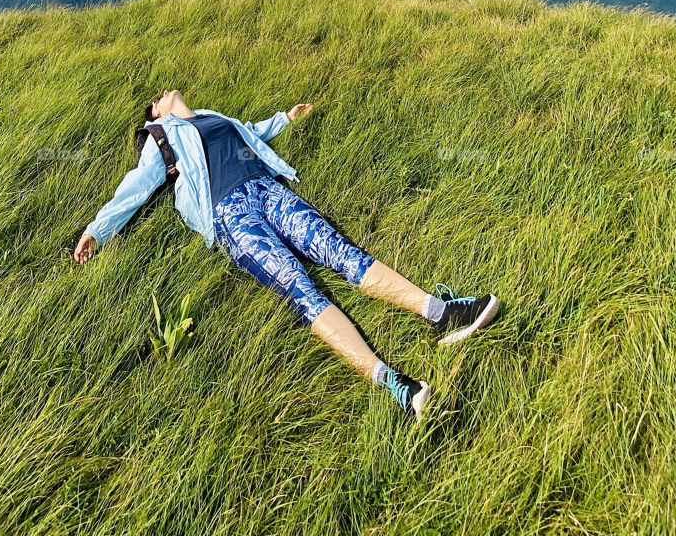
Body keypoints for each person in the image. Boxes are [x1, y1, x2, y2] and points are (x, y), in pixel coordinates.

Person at [74, 90, 500, 422]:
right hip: (230, 215)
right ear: (155, 114)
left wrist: (286, 118)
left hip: (269, 191)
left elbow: (250, 134)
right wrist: (97, 231)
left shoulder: (212, 117)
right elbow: (134, 188)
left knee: (341, 252)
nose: (165, 91)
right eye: (157, 98)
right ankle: (395, 385)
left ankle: (441, 311)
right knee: (301, 289)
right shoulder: (161, 137)